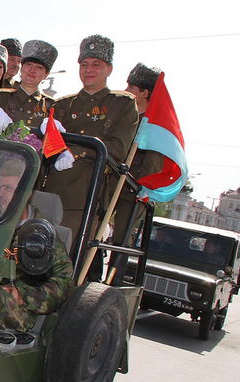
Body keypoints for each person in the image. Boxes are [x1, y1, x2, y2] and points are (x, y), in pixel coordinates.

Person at [42, 34, 139, 236]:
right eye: (84, 64)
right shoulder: (62, 104)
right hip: (50, 190)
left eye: (96, 64)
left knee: (67, 259)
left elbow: (118, 149)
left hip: (85, 195)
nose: (88, 70)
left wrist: (77, 152)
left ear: (109, 69)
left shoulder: (122, 104)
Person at [0, 160, 74, 333]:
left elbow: (63, 285)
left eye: (8, 188)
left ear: (26, 193)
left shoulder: (41, 236)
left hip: (11, 309)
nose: (0, 193)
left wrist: (22, 295)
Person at [109, 63, 166, 281]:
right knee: (93, 230)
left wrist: (134, 182)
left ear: (144, 92)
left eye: (131, 86)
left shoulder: (152, 126)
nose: (126, 89)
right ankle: (91, 274)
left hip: (131, 191)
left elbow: (152, 165)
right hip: (109, 184)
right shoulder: (125, 115)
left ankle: (112, 283)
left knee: (122, 240)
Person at [2, 40, 58, 129]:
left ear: (46, 74)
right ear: (22, 68)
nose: (32, 70)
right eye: (29, 64)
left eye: (39, 67)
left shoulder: (52, 106)